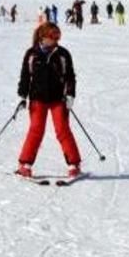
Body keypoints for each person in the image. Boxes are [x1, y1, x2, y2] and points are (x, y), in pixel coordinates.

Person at [15, 23, 82, 179]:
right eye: (53, 37)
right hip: (37, 98)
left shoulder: (63, 54)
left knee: (63, 130)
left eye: (58, 37)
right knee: (36, 130)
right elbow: (25, 76)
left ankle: (74, 164)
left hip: (58, 99)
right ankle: (25, 165)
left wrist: (70, 94)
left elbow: (70, 76)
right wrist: (23, 96)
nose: (56, 40)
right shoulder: (32, 54)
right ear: (43, 37)